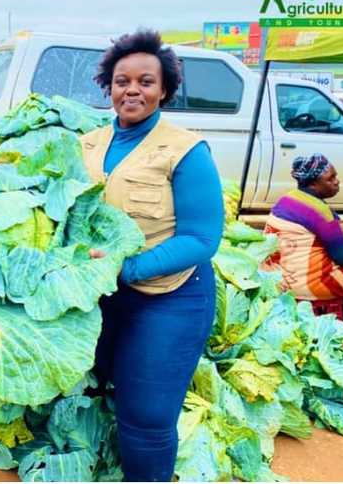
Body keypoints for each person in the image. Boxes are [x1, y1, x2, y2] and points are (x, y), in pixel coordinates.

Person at [80, 29, 224, 481]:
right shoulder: (89, 143)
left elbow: (203, 238)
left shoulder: (186, 149)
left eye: (146, 81)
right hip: (103, 296)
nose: (133, 90)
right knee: (106, 390)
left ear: (164, 89)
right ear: (109, 87)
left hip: (169, 296)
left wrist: (129, 267)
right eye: (122, 81)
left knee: (145, 417)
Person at [262, 154, 343, 317]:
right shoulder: (320, 212)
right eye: (330, 178)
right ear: (313, 184)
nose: (337, 181)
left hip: (275, 279)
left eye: (336, 176)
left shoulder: (286, 200)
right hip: (305, 287)